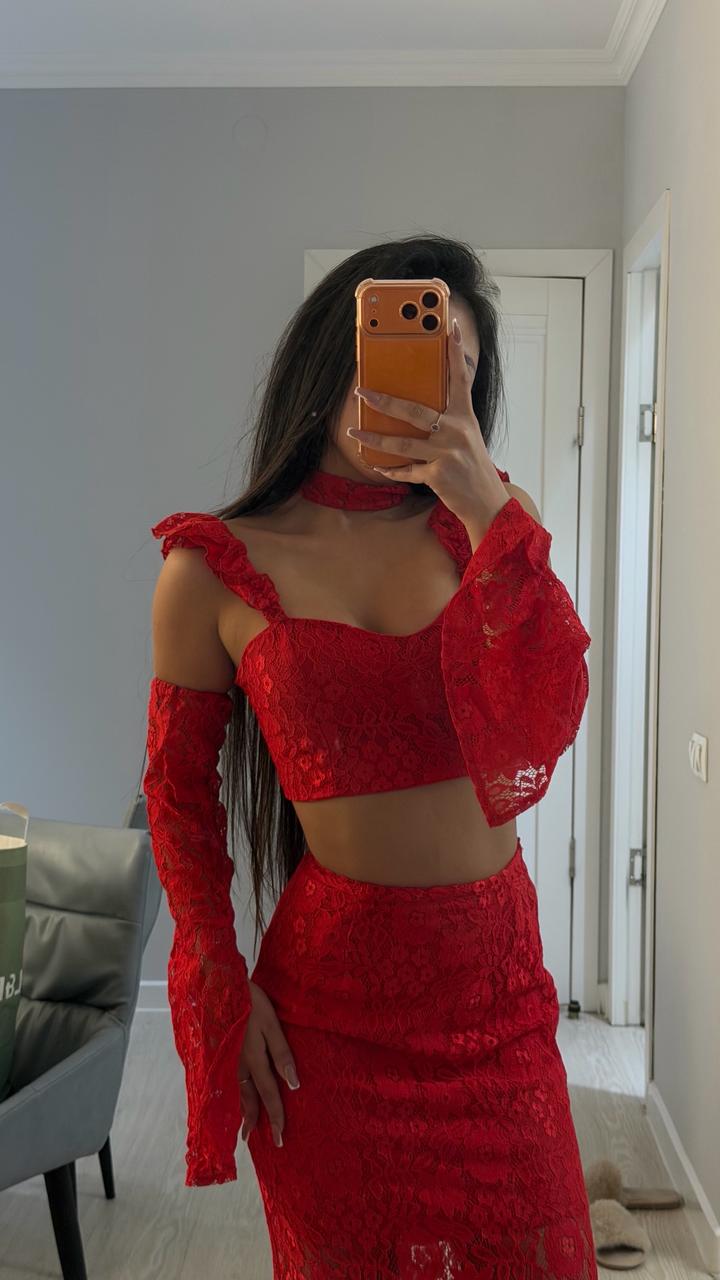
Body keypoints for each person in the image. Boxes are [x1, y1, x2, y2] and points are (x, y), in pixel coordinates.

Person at [142, 234, 596, 1278]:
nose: (420, 387)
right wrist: (219, 976)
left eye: (454, 368)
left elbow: (548, 715)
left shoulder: (494, 532)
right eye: (400, 349)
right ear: (332, 351)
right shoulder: (212, 567)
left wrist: (487, 508)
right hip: (332, 1018)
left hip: (497, 997)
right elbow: (177, 793)